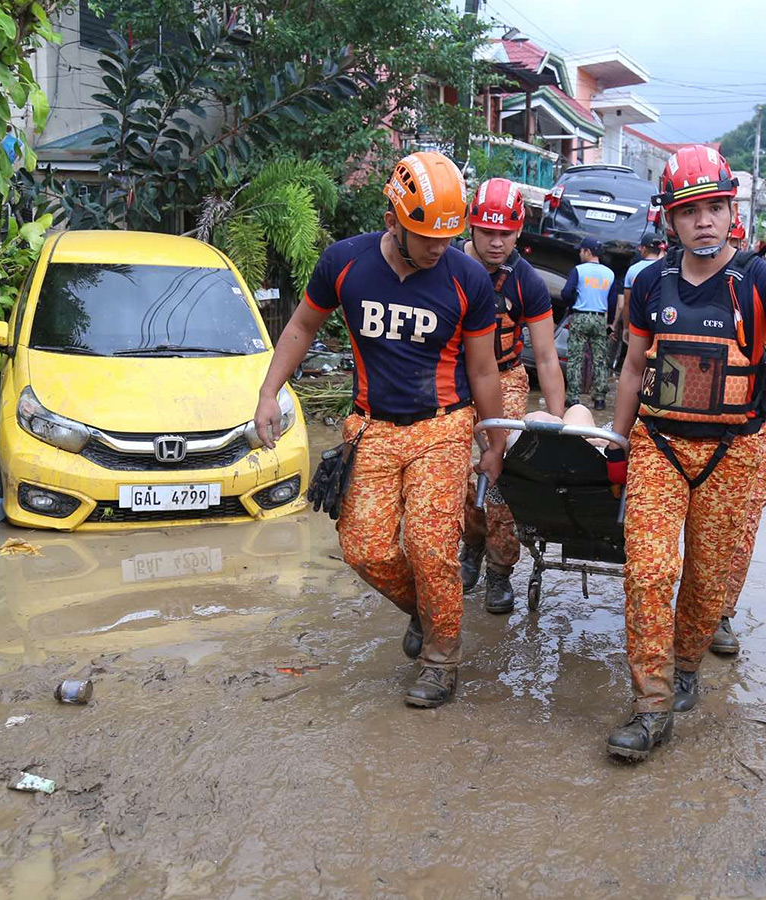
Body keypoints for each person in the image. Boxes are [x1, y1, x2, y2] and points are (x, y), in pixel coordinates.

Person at [606, 145, 766, 760]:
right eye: (691, 210)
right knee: (648, 570)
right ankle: (651, 705)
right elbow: (633, 368)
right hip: (658, 446)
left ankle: (689, 659)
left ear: (732, 213)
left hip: (733, 454)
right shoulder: (649, 283)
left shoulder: (761, 280)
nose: (704, 221)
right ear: (670, 219)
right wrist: (617, 444)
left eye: (716, 207)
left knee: (705, 576)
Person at [254, 150, 506, 709]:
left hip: (444, 426)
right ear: (393, 218)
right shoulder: (345, 263)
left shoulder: (467, 279)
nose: (439, 247)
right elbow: (300, 327)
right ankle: (426, 607)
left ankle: (441, 659)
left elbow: (485, 369)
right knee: (363, 548)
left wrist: (494, 444)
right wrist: (269, 393)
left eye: (447, 235)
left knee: (430, 543)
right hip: (370, 428)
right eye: (425, 236)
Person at [458, 177, 566, 615]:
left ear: (519, 230)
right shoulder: (445, 266)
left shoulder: (527, 283)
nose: (496, 241)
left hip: (505, 378)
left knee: (500, 476)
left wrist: (556, 426)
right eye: (487, 231)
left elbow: (545, 357)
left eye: (505, 232)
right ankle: (470, 547)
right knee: (454, 476)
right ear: (471, 226)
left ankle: (501, 571)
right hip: (451, 380)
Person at [561, 237, 617, 410]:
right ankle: (600, 398)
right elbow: (613, 300)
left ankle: (573, 397)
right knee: (600, 359)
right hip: (600, 318)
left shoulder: (579, 270)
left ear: (587, 251)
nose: (579, 253)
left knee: (575, 358)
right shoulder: (610, 273)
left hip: (580, 316)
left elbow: (566, 293)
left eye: (581, 250)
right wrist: (609, 322)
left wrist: (573, 302)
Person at [611, 234, 667, 371]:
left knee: (636, 365)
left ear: (643, 249)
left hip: (639, 323)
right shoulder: (667, 269)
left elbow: (627, 303)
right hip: (661, 322)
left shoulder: (633, 270)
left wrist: (625, 327)